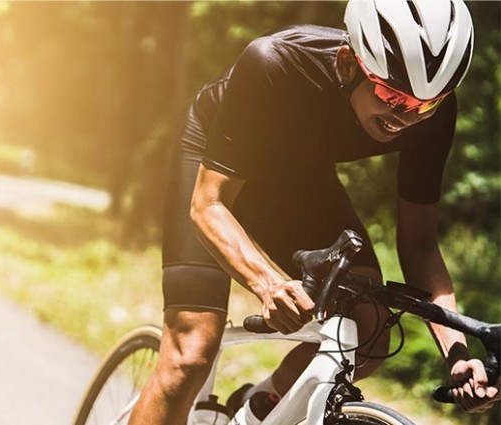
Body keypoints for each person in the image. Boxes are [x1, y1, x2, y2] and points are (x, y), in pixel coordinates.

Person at [129, 0, 500, 423]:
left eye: (423, 106)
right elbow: (207, 206)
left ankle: (259, 408)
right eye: (390, 94)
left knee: (372, 332)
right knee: (190, 353)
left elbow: (418, 246)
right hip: (215, 173)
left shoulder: (432, 117)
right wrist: (268, 285)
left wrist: (456, 356)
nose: (404, 116)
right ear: (347, 64)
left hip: (299, 177)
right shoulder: (275, 62)